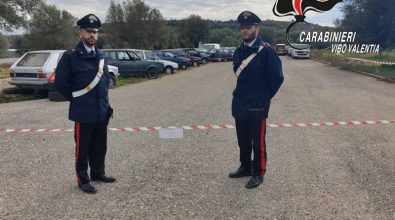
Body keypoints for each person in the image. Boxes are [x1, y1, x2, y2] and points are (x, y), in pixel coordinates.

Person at [55, 14, 116, 194]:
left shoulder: (101, 55)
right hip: (83, 112)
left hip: (101, 111)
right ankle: (83, 179)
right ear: (80, 33)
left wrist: (105, 105)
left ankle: (98, 173)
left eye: (95, 32)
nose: (93, 35)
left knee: (100, 146)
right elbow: (60, 83)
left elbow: (104, 83)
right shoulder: (70, 57)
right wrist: (76, 99)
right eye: (89, 31)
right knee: (82, 149)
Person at [229, 11, 284, 189]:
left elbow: (277, 78)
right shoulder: (239, 50)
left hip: (257, 105)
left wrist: (264, 98)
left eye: (249, 27)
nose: (245, 31)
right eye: (243, 28)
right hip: (240, 104)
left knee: (258, 143)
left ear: (257, 29)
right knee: (242, 140)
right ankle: (245, 166)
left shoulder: (266, 52)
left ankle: (258, 173)